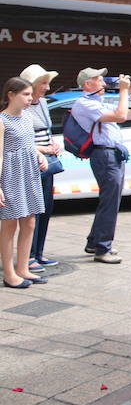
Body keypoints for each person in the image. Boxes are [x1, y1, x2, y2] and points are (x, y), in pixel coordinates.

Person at [71, 68, 131, 263]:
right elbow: (120, 116)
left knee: (110, 200)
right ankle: (102, 248)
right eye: (99, 79)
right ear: (87, 84)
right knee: (110, 202)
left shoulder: (98, 103)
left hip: (113, 154)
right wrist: (122, 91)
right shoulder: (84, 104)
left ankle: (95, 241)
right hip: (104, 154)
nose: (104, 83)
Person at [1, 77, 49, 288]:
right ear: (11, 95)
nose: (30, 99)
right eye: (25, 94)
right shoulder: (2, 121)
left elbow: (29, 144)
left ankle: (23, 268)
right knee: (9, 224)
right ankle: (9, 273)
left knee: (29, 221)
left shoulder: (28, 117)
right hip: (10, 175)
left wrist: (40, 155)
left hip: (29, 173)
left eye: (31, 94)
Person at [20, 65, 62, 272]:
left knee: (46, 208)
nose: (46, 88)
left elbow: (47, 131)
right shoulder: (21, 107)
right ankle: (27, 256)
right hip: (30, 164)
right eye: (43, 83)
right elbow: (20, 140)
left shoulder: (44, 104)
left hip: (48, 163)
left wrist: (53, 145)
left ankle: (38, 252)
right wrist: (42, 148)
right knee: (32, 212)